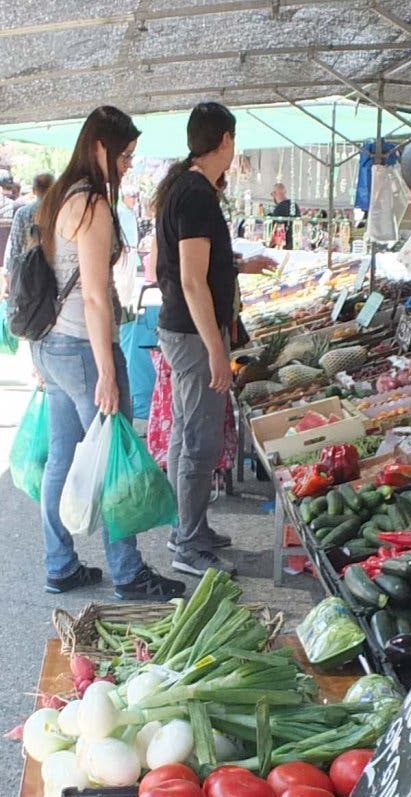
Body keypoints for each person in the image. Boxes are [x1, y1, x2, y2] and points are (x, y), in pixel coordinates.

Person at [30, 106, 185, 600]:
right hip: (81, 347)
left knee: (61, 458)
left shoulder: (57, 197)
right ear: (99, 147)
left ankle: (60, 564)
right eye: (123, 155)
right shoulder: (93, 204)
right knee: (116, 458)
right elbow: (96, 296)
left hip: (52, 344)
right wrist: (107, 373)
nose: (127, 166)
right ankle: (129, 573)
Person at [153, 102, 274, 577]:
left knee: (188, 434)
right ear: (224, 140)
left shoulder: (186, 187)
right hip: (192, 333)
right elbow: (191, 281)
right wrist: (217, 349)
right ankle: (187, 544)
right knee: (199, 442)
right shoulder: (196, 194)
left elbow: (201, 266)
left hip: (185, 330)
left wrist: (242, 266)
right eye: (234, 140)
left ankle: (190, 528)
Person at [3, 172, 53, 274]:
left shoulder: (22, 213)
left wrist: (10, 273)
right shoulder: (60, 212)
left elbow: (15, 247)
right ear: (54, 189)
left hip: (28, 272)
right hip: (54, 272)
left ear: (34, 191)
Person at [269, 182, 300, 249]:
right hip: (295, 244)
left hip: (283, 246)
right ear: (285, 192)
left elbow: (276, 232)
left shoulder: (279, 209)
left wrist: (270, 246)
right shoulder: (295, 206)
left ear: (274, 194)